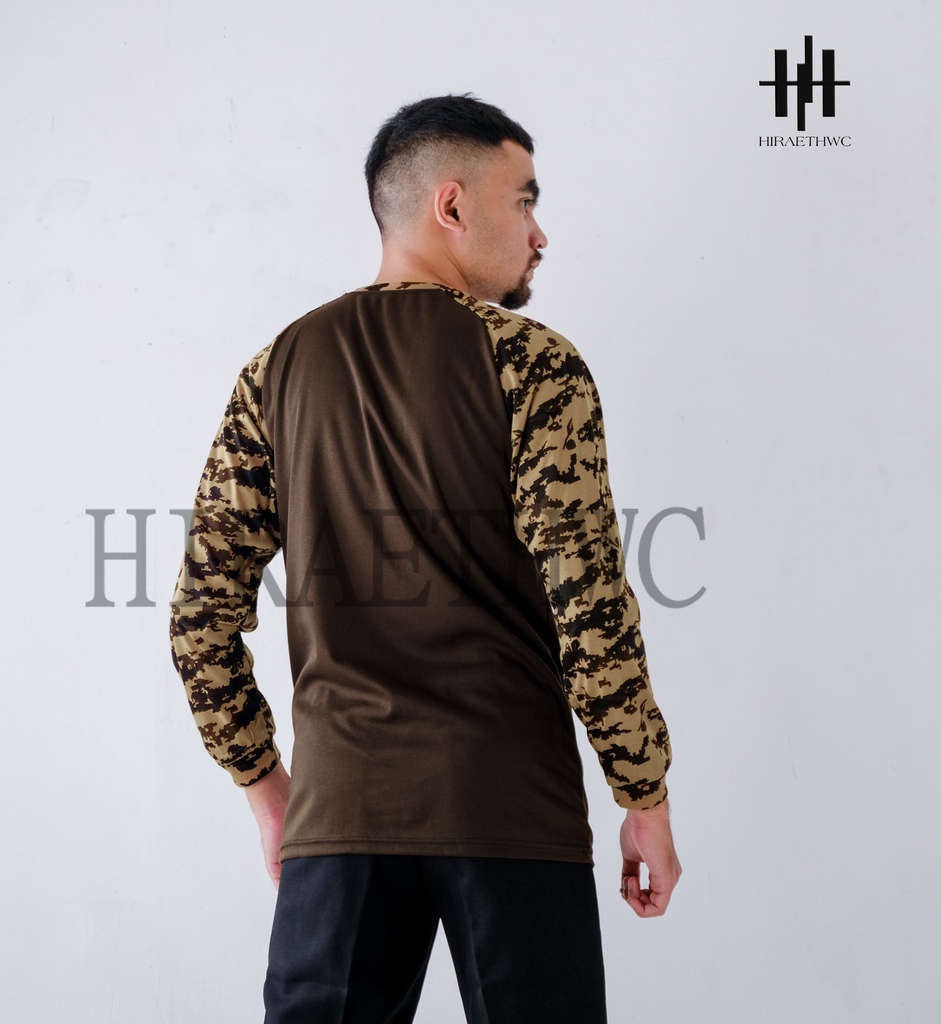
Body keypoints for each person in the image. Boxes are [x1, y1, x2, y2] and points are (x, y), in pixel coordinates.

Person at [170, 93, 681, 1024]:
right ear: (452, 205)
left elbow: (199, 621)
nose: (540, 234)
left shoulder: (277, 370)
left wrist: (269, 790)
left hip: (339, 821)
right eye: (524, 201)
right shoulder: (535, 366)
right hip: (512, 814)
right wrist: (642, 792)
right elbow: (590, 606)